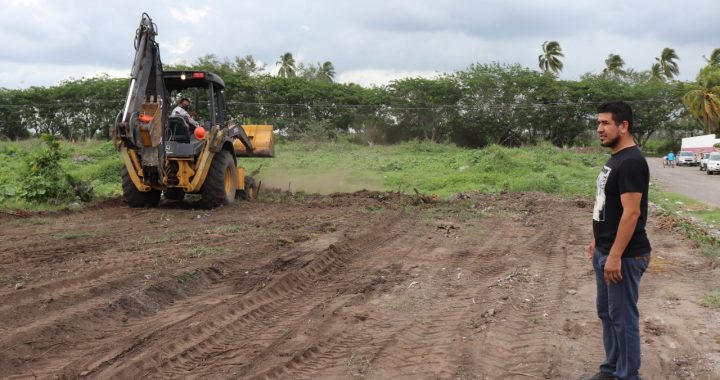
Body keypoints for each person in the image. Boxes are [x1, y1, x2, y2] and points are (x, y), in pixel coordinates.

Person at [585, 101, 651, 380]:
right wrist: (596, 240)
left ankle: (628, 375)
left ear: (623, 126)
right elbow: (606, 205)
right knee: (607, 314)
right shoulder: (616, 158)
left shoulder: (632, 162)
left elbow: (632, 213)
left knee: (623, 319)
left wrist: (613, 255)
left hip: (623, 256)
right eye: (598, 123)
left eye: (605, 123)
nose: (599, 129)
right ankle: (611, 369)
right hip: (605, 251)